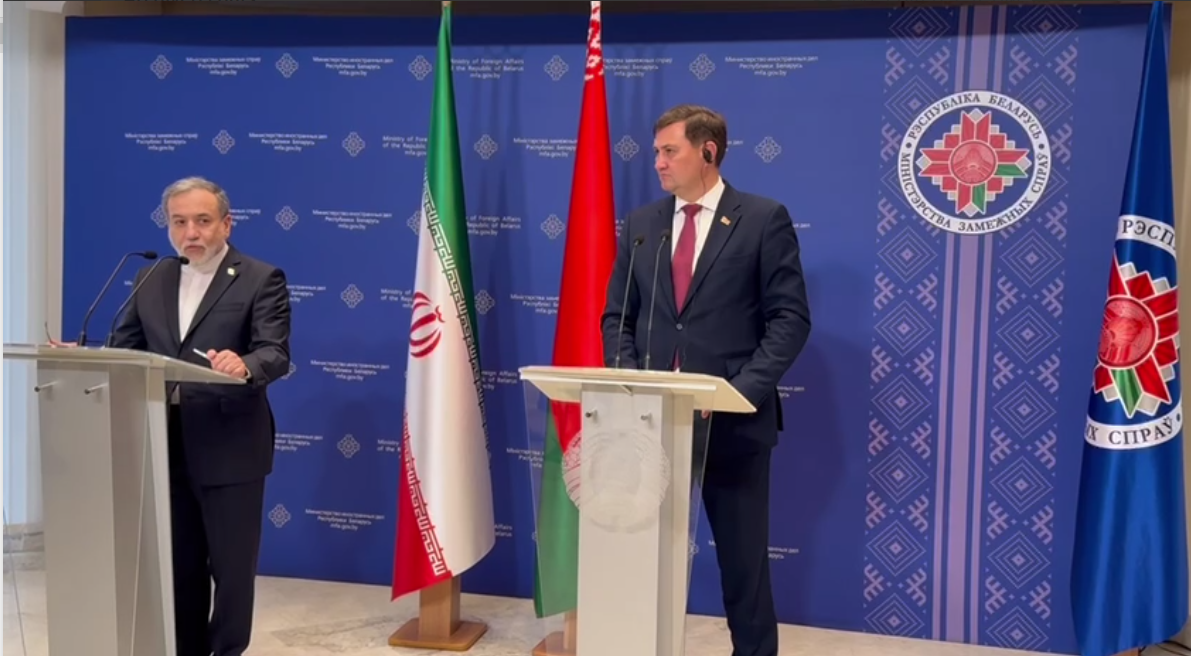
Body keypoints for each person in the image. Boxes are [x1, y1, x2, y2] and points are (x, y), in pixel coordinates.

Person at [601, 105, 811, 656]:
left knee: (743, 567)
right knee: (639, 561)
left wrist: (738, 392)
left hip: (732, 427)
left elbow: (790, 320)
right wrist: (632, 386)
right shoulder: (642, 226)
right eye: (656, 152)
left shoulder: (762, 219)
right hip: (649, 427)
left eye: (669, 151)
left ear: (708, 152)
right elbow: (617, 317)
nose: (658, 162)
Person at [110, 176, 292, 656]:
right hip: (164, 444)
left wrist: (244, 364)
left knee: (231, 572)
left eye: (202, 220)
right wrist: (83, 357)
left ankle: (227, 651)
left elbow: (275, 352)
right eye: (179, 222)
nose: (190, 232)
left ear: (226, 224)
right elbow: (125, 348)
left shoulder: (260, 277)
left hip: (230, 446)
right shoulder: (151, 278)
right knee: (179, 566)